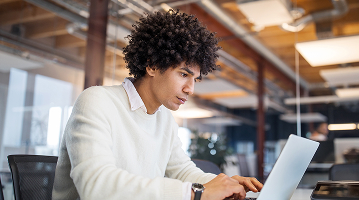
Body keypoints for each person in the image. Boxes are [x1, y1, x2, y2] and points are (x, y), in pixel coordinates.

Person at [52, 10, 263, 200]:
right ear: (152, 65)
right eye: (183, 74)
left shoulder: (164, 119)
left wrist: (224, 184)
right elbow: (96, 185)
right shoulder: (97, 101)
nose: (191, 89)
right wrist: (196, 193)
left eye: (195, 79)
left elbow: (181, 171)